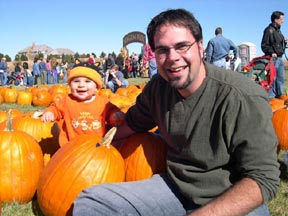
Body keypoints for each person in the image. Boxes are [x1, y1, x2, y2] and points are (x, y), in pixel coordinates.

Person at [73, 8, 280, 216]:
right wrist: (95, 148)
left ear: (200, 47)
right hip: (175, 189)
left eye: (182, 46)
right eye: (162, 50)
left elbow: (263, 179)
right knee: (90, 204)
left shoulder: (241, 97)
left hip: (229, 198)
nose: (172, 58)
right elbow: (133, 123)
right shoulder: (158, 88)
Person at [41, 61, 124, 147]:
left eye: (87, 81)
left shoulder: (103, 102)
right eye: (76, 81)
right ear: (69, 85)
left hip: (96, 147)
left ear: (96, 86)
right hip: (70, 147)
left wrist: (115, 115)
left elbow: (112, 110)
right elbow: (55, 108)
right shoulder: (67, 100)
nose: (81, 85)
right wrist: (50, 112)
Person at [261, 11, 288, 99]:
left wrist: (284, 41)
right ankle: (272, 99)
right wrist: (271, 53)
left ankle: (280, 97)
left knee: (280, 79)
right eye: (281, 19)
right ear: (275, 20)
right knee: (272, 80)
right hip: (273, 59)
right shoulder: (269, 30)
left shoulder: (278, 31)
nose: (282, 21)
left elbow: (278, 44)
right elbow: (264, 46)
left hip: (280, 58)